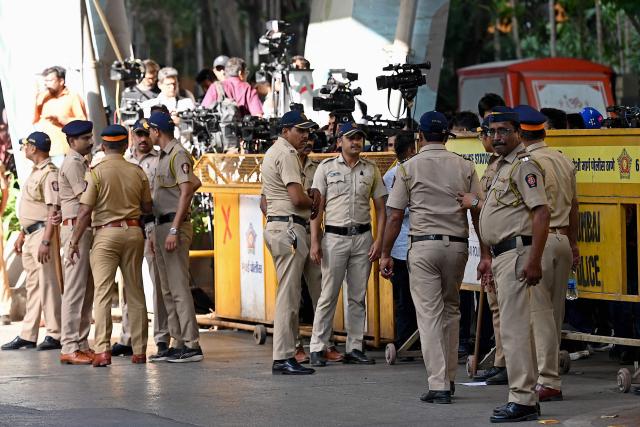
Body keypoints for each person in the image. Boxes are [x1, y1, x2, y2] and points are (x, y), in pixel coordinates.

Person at [381, 112, 481, 404]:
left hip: (424, 246)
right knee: (451, 310)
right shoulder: (465, 165)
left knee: (428, 315)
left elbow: (395, 215)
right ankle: (449, 379)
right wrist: (485, 252)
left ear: (420, 137)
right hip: (457, 247)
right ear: (447, 136)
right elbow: (476, 210)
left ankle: (438, 384)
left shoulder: (408, 168)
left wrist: (386, 253)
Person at [476, 107, 549, 423]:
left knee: (516, 330)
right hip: (504, 255)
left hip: (518, 254)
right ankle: (523, 398)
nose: (497, 137)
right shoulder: (502, 166)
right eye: (493, 132)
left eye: (504, 131)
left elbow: (542, 213)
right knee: (512, 329)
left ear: (519, 132)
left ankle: (523, 399)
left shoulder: (523, 166)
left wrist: (533, 261)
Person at [67, 124, 152, 367]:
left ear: (104, 146)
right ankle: (139, 350)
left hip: (106, 235)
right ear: (126, 145)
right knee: (135, 292)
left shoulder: (95, 172)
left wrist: (73, 242)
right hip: (134, 232)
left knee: (103, 294)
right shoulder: (137, 171)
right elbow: (147, 207)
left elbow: (85, 212)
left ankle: (103, 351)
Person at [514, 105, 579, 402]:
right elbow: (575, 207)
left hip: (539, 241)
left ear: (520, 133)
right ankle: (548, 375)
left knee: (539, 315)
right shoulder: (563, 160)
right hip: (563, 239)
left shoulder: (526, 163)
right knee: (554, 314)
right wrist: (574, 244)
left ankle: (547, 379)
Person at [309, 122, 387, 367]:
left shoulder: (371, 169)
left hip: (362, 238)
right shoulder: (325, 168)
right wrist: (315, 241)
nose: (355, 143)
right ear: (339, 141)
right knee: (328, 294)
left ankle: (355, 347)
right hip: (334, 238)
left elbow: (382, 209)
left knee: (357, 296)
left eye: (359, 138)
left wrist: (379, 241)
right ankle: (317, 347)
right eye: (351, 138)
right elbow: (316, 208)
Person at [262, 110, 319, 375]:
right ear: (285, 131)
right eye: (300, 130)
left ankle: (285, 355)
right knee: (288, 297)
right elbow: (297, 199)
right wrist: (315, 202)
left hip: (279, 224)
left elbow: (265, 202)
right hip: (288, 227)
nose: (305, 135)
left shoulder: (274, 152)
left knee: (288, 294)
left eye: (307, 130)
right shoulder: (286, 154)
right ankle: (283, 356)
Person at [146, 111, 204, 363]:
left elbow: (187, 191)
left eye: (149, 129)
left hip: (173, 225)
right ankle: (178, 340)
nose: (147, 134)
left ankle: (192, 343)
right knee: (167, 289)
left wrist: (174, 229)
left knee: (179, 287)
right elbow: (195, 182)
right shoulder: (164, 156)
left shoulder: (178, 154)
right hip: (162, 226)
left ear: (157, 131)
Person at [457, 115, 509, 386]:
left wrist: (473, 200)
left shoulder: (515, 166)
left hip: (510, 249)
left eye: (488, 133)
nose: (486, 138)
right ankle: (501, 362)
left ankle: (513, 366)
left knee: (510, 313)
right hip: (495, 250)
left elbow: (498, 206)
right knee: (497, 310)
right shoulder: (493, 164)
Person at [1, 131, 62, 351]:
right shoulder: (36, 171)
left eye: (26, 145)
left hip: (42, 234)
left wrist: (46, 240)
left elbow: (52, 208)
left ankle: (56, 334)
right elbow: (32, 207)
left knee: (48, 284)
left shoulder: (49, 173)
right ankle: (28, 334)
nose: (24, 148)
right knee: (34, 286)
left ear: (34, 148)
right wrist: (21, 233)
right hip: (31, 234)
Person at [58, 120, 95, 365]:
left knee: (87, 289)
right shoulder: (72, 164)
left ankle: (81, 343)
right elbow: (86, 198)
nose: (90, 142)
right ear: (73, 142)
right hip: (75, 229)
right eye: (85, 138)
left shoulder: (81, 162)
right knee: (74, 290)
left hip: (82, 228)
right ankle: (69, 345)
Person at [381, 131, 418, 351]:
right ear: (413, 149)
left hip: (403, 245)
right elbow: (394, 212)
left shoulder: (391, 174)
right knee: (408, 298)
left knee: (406, 298)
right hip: (405, 245)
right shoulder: (393, 175)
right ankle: (407, 342)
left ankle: (409, 342)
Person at [33, 66, 88, 165]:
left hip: (67, 151)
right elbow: (35, 121)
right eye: (45, 81)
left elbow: (83, 123)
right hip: (47, 153)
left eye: (50, 80)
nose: (46, 84)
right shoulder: (43, 98)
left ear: (61, 81)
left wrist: (62, 119)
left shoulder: (72, 96)